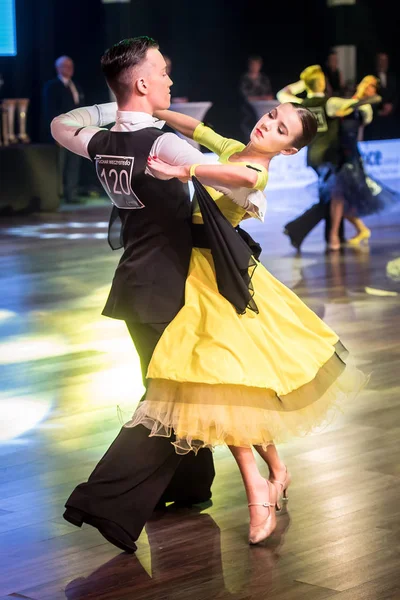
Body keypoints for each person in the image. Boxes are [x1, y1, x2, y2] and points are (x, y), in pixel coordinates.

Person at [124, 103, 366, 544]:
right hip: (192, 275)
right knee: (232, 390)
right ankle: (276, 471)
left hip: (221, 284)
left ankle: (258, 491)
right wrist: (158, 110)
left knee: (223, 385)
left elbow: (235, 179)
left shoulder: (257, 172)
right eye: (272, 114)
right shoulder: (235, 148)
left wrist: (184, 172)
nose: (268, 124)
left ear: (288, 150)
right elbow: (198, 128)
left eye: (280, 128)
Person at [51, 36, 219, 554]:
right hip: (165, 287)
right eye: (162, 73)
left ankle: (188, 487)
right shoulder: (163, 144)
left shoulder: (103, 143)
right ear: (144, 82)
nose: (171, 81)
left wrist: (115, 103)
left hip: (136, 284)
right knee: (175, 395)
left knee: (175, 387)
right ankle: (103, 501)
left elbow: (61, 124)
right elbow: (234, 181)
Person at [276, 64, 360, 251]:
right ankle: (303, 231)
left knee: (331, 197)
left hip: (313, 156)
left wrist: (302, 84)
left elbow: (282, 94)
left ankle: (331, 235)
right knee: (333, 196)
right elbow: (352, 104)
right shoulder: (329, 103)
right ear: (322, 82)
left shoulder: (302, 105)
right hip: (330, 156)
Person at [328, 75, 399, 248]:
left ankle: (335, 236)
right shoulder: (346, 101)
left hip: (350, 154)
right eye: (369, 84)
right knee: (341, 196)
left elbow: (357, 128)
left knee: (340, 196)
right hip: (339, 152)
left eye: (373, 87)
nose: (370, 88)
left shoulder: (365, 108)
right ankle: (359, 229)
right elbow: (336, 113)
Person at [43, 56, 85, 204]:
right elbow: (51, 111)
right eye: (65, 66)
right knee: (60, 164)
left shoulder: (76, 86)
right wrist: (56, 134)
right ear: (58, 68)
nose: (69, 69)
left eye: (70, 66)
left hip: (76, 132)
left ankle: (71, 193)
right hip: (61, 132)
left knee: (74, 163)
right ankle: (56, 195)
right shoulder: (52, 86)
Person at [365, 52, 398, 140]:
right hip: (377, 115)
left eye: (385, 61)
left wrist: (391, 106)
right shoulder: (370, 77)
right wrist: (381, 108)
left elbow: (396, 94)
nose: (383, 63)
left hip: (392, 114)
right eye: (381, 60)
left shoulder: (392, 78)